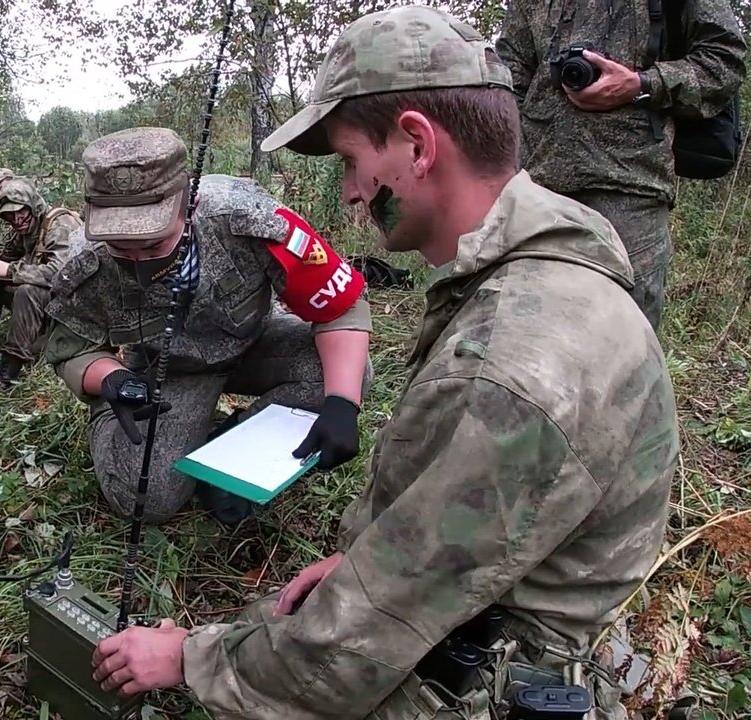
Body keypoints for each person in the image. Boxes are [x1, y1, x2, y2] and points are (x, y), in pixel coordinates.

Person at [90, 7, 680, 719]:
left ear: (416, 144)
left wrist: (188, 655)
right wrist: (366, 563)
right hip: (494, 597)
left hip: (505, 667)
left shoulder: (506, 365)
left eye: (350, 160)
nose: (348, 191)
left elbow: (341, 657)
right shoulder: (550, 268)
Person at [46, 126, 372, 527]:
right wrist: (111, 380)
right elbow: (70, 348)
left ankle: (230, 450)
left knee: (341, 376)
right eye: (121, 248)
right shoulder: (85, 263)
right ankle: (112, 422)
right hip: (166, 375)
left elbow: (340, 304)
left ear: (190, 204)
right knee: (147, 500)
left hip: (254, 343)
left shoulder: (244, 218)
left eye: (152, 246)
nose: (137, 260)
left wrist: (340, 404)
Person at [495, 0, 745, 331]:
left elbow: (724, 59)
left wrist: (641, 85)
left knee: (623, 350)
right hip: (536, 190)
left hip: (630, 191)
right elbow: (510, 73)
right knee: (529, 341)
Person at [0, 177, 81, 386]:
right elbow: (4, 251)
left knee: (26, 291)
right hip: (46, 302)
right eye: (10, 215)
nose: (16, 219)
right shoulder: (26, 228)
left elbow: (62, 274)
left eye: (21, 212)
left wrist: (10, 271)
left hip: (71, 306)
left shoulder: (60, 224)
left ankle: (11, 368)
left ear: (33, 206)